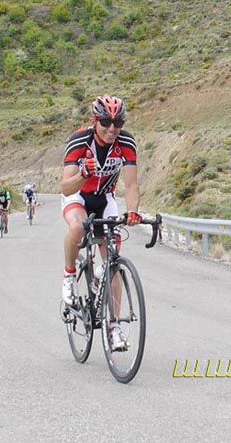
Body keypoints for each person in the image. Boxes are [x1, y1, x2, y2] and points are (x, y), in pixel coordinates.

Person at [60, 95, 142, 351]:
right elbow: (64, 187)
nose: (111, 129)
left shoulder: (126, 142)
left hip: (105, 198)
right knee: (77, 227)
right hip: (78, 196)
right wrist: (84, 172)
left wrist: (132, 212)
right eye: (106, 122)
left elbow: (131, 184)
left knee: (113, 263)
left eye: (117, 122)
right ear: (95, 120)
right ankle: (69, 275)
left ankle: (114, 327)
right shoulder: (79, 141)